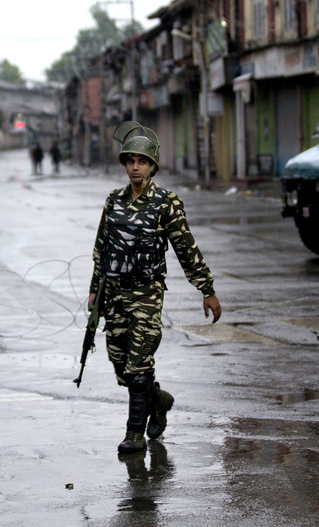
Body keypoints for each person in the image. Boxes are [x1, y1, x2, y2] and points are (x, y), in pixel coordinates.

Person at [88, 121, 222, 455]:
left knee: (138, 363)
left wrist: (206, 289)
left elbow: (185, 248)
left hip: (146, 294)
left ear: (152, 165)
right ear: (124, 164)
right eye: (130, 161)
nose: (135, 167)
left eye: (142, 162)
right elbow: (101, 249)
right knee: (120, 363)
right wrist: (95, 291)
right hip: (114, 292)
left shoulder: (166, 203)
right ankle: (158, 399)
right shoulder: (113, 201)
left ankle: (134, 435)